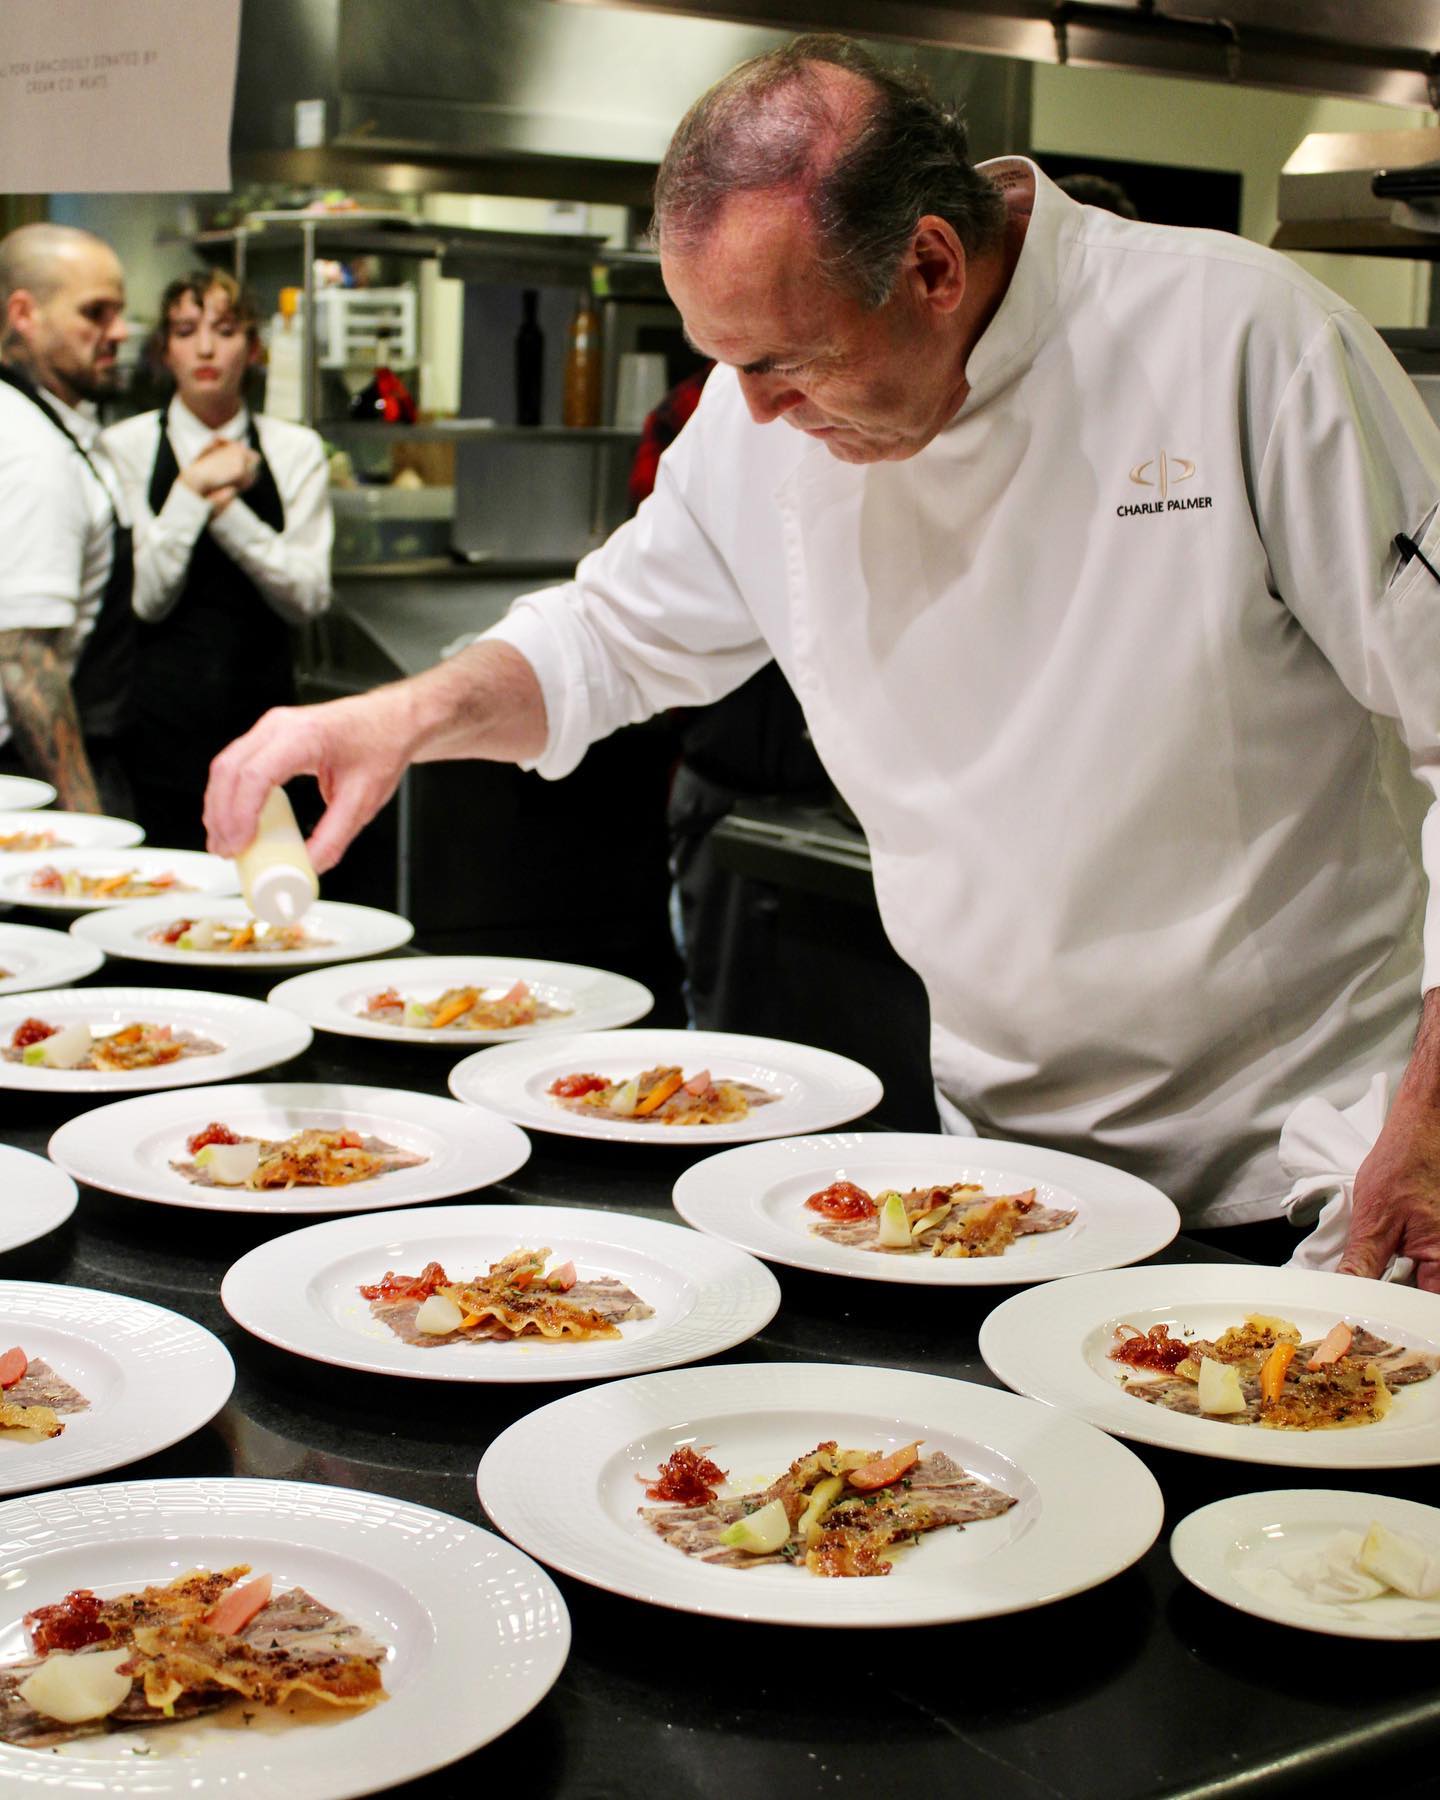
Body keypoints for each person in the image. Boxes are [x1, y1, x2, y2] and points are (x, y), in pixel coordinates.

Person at [205, 35, 1440, 1291]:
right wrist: (397, 722)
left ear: (933, 264)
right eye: (722, 362)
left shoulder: (1240, 340)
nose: (752, 413)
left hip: (1308, 1175)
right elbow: (606, 637)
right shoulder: (763, 423)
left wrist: (1437, 1116)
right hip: (1002, 1182)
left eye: (783, 362)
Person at [101, 269, 332, 849]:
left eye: (225, 330)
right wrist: (193, 486)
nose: (205, 348)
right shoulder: (122, 447)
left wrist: (229, 514)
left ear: (252, 348)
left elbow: (307, 596)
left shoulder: (294, 448)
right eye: (185, 330)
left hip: (267, 734)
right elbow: (146, 599)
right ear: (164, 351)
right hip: (153, 741)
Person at [0, 223, 134, 813]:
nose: (119, 333)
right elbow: (25, 659)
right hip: (26, 775)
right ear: (24, 313)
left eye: (120, 312)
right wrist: (88, 824)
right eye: (95, 313)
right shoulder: (33, 449)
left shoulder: (46, 423)